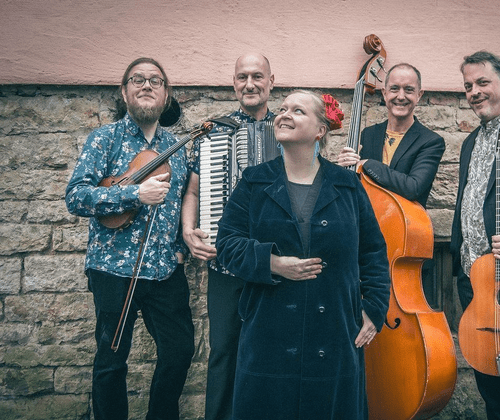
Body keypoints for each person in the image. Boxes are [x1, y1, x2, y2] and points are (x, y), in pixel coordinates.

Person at [215, 90, 391, 419]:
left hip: (335, 334)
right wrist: (273, 263)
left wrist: (374, 309)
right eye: (282, 108)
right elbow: (227, 244)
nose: (284, 114)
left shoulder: (348, 185)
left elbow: (373, 253)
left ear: (320, 130)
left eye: (298, 110)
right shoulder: (254, 182)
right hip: (268, 334)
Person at [66, 57, 195, 420]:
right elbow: (76, 197)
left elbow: (183, 202)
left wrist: (181, 249)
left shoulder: (177, 147)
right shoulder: (105, 138)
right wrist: (133, 194)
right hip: (112, 268)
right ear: (124, 93)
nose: (146, 85)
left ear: (166, 95)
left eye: (156, 80)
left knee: (179, 351)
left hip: (165, 269)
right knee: (111, 361)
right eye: (137, 79)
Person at [181, 52, 275, 420]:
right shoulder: (211, 132)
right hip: (225, 264)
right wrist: (188, 230)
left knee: (271, 351)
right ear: (233, 83)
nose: (249, 84)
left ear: (270, 81)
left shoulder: (288, 127)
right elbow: (192, 191)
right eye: (242, 77)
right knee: (223, 351)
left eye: (257, 76)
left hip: (275, 262)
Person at [450, 50, 500, 420]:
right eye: (468, 86)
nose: (474, 92)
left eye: (483, 82)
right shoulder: (471, 141)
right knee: (489, 386)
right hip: (473, 280)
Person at [337, 63, 445, 208]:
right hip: (367, 219)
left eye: (409, 90)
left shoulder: (431, 141)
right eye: (394, 89)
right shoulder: (368, 135)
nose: (401, 96)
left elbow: (413, 187)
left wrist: (367, 164)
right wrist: (343, 168)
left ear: (419, 95)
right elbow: (353, 187)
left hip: (406, 221)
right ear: (384, 93)